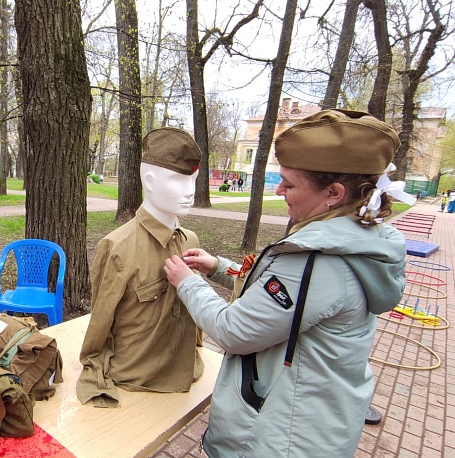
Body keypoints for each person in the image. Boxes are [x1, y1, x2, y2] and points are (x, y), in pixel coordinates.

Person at [163, 109, 413, 456]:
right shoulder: (352, 238)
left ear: (334, 192)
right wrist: (219, 266)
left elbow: (233, 331)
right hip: (320, 419)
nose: (279, 190)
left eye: (290, 184)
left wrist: (187, 282)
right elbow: (275, 287)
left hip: (283, 437)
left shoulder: (320, 261)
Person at [76, 127, 204, 408]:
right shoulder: (118, 247)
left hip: (187, 370)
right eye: (178, 180)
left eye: (193, 180)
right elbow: (100, 324)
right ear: (149, 180)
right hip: (138, 378)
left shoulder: (190, 241)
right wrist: (95, 371)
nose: (190, 192)